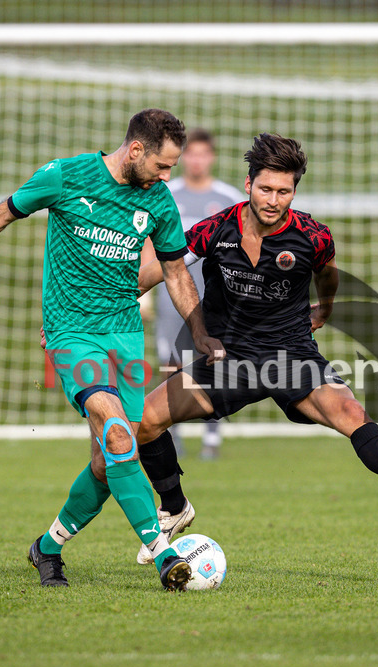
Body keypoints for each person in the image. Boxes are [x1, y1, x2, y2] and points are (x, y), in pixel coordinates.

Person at [0, 108, 223, 589]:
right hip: (71, 333)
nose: (167, 175)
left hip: (124, 335)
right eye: (162, 165)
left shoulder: (157, 201)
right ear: (136, 150)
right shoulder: (66, 175)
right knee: (117, 432)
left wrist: (199, 331)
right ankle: (164, 556)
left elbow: (176, 273)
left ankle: (47, 547)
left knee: (110, 456)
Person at [131, 133, 378, 565]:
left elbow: (329, 276)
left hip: (289, 356)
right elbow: (162, 268)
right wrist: (104, 305)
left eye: (284, 191)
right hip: (227, 359)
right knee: (143, 422)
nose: (274, 200)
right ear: (248, 185)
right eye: (265, 189)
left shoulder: (313, 237)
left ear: (295, 191)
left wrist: (326, 309)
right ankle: (174, 507)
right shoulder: (216, 229)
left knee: (350, 412)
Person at [152, 128, 243, 461]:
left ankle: (212, 435)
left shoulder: (229, 198)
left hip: (214, 297)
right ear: (182, 157)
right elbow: (149, 243)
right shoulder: (166, 193)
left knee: (213, 360)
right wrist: (143, 293)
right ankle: (173, 433)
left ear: (212, 158)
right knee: (171, 362)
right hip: (170, 293)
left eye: (203, 154)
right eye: (191, 154)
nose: (197, 160)